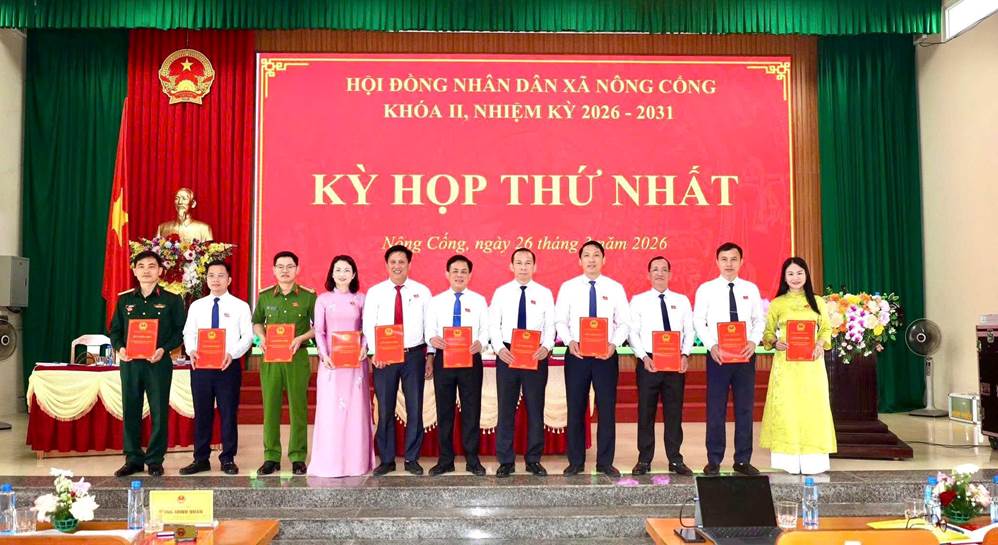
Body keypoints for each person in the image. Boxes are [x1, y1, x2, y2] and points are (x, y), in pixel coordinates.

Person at [555, 240, 630, 477]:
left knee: (606, 409)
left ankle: (605, 462)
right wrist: (570, 341)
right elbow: (560, 320)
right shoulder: (568, 287)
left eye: (596, 255)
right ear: (580, 260)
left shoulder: (615, 288)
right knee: (576, 407)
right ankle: (575, 461)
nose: (591, 259)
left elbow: (624, 322)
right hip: (577, 355)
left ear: (604, 259)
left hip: (605, 356)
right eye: (586, 255)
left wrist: (613, 344)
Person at [108, 250, 186, 477]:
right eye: (141, 266)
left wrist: (164, 349)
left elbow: (179, 332)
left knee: (159, 412)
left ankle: (154, 460)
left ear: (160, 271)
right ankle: (132, 459)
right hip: (131, 363)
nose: (146, 271)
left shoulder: (172, 300)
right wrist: (120, 348)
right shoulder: (125, 300)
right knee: (130, 409)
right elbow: (115, 331)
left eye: (152, 266)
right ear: (134, 271)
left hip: (158, 363)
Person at [693, 242, 765, 476]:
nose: (729, 264)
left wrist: (753, 341)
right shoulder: (706, 289)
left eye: (734, 259)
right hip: (718, 356)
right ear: (717, 262)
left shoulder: (750, 289)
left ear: (741, 262)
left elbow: (759, 320)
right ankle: (714, 459)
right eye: (724, 259)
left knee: (744, 409)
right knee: (716, 409)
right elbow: (699, 320)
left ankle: (742, 460)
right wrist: (711, 345)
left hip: (745, 356)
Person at [759, 257, 836, 474]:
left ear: (806, 275)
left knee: (813, 409)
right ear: (784, 277)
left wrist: (820, 344)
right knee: (788, 409)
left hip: (812, 365)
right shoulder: (777, 303)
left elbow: (826, 329)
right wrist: (775, 342)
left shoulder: (818, 302)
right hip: (786, 367)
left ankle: (814, 461)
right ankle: (788, 461)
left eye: (799, 273)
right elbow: (767, 333)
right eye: (790, 274)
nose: (795, 278)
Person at [362, 245, 433, 476]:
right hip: (385, 357)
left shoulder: (422, 291)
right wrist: (375, 352)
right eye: (393, 262)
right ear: (386, 265)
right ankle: (387, 459)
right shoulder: (375, 292)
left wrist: (430, 355)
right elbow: (368, 324)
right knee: (385, 409)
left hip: (414, 355)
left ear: (409, 264)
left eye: (402, 262)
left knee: (414, 408)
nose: (397, 266)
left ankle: (412, 458)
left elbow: (429, 325)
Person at [180, 260, 253, 475]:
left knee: (228, 413)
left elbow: (247, 336)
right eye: (211, 275)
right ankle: (200, 458)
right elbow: (188, 332)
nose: (216, 279)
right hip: (201, 366)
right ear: (206, 279)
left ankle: (228, 458)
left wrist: (233, 354)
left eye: (221, 275)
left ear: (229, 279)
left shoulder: (240, 306)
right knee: (202, 413)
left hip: (227, 367)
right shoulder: (197, 305)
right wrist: (191, 349)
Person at [489, 248, 555, 478]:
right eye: (519, 262)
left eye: (528, 263)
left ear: (535, 267)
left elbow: (550, 325)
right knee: (506, 409)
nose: (523, 267)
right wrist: (499, 349)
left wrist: (547, 346)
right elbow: (493, 325)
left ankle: (533, 459)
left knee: (535, 409)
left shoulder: (545, 293)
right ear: (511, 266)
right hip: (508, 354)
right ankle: (506, 461)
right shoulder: (501, 292)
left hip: (536, 354)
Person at [309, 255, 376, 477]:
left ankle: (357, 463)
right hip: (331, 364)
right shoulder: (323, 300)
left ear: (354, 274)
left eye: (347, 270)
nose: (342, 274)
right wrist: (324, 354)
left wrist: (364, 347)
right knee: (331, 412)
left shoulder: (361, 299)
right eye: (338, 269)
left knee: (356, 412)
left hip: (356, 364)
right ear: (332, 273)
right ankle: (330, 463)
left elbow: (367, 329)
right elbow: (319, 331)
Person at [627, 256, 695, 476]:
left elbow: (689, 331)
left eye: (664, 269)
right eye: (655, 269)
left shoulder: (682, 301)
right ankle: (644, 460)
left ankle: (675, 459)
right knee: (645, 412)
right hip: (649, 362)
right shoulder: (638, 301)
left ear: (670, 274)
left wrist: (685, 354)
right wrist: (642, 357)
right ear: (648, 275)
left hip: (675, 362)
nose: (659, 273)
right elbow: (632, 332)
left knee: (674, 412)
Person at [252, 251, 316, 476]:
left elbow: (319, 327)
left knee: (298, 408)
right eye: (280, 266)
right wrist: (262, 338)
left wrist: (301, 338)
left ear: (297, 269)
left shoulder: (309, 297)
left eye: (290, 266)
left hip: (297, 358)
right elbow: (257, 322)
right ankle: (271, 456)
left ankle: (298, 457)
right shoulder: (265, 296)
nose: (285, 270)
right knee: (270, 408)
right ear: (274, 270)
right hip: (271, 358)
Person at [425, 255, 489, 477]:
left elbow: (486, 329)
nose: (459, 275)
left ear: (470, 275)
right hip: (444, 359)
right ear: (447, 274)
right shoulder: (436, 301)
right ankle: (445, 460)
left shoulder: (479, 300)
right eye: (455, 271)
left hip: (471, 359)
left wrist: (481, 342)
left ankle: (472, 459)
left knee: (472, 410)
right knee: (444, 411)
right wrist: (432, 339)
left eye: (464, 271)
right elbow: (429, 329)